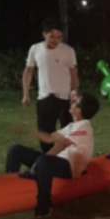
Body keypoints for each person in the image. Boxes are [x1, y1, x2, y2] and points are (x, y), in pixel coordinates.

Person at [6, 93, 100, 217]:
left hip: (70, 168)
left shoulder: (84, 128)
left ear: (79, 110)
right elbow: (50, 138)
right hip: (58, 161)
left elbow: (61, 145)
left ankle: (44, 206)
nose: (71, 102)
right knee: (15, 150)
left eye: (75, 102)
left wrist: (38, 162)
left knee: (44, 161)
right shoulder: (72, 126)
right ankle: (9, 188)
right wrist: (29, 130)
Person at [23, 18, 79, 153]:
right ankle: (48, 158)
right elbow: (28, 71)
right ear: (44, 34)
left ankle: (69, 158)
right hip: (45, 97)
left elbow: (74, 73)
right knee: (45, 133)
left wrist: (74, 91)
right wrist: (25, 94)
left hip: (65, 98)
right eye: (52, 37)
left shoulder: (68, 51)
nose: (56, 40)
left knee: (70, 132)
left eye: (59, 37)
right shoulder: (35, 49)